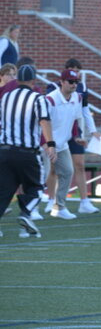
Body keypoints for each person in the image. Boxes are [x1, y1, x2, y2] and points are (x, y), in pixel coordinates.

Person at [0, 65, 56, 238]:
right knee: (36, 187)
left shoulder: (6, 97)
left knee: (4, 190)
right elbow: (44, 121)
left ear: (17, 80)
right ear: (33, 81)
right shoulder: (38, 98)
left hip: (4, 150)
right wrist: (51, 144)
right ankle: (25, 213)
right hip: (27, 152)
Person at [43, 59, 101, 216]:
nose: (74, 84)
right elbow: (43, 122)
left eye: (76, 81)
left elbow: (77, 116)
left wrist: (79, 136)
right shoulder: (50, 97)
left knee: (71, 169)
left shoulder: (78, 96)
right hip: (48, 139)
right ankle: (38, 206)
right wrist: (48, 143)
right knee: (45, 172)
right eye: (70, 81)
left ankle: (64, 206)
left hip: (65, 139)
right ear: (62, 82)